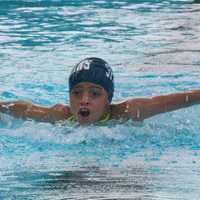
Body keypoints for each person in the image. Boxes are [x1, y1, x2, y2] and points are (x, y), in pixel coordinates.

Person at [0, 57, 200, 125]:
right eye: (77, 92)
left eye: (95, 93)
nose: (84, 100)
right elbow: (21, 109)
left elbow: (180, 100)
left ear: (108, 99)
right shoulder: (61, 115)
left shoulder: (127, 112)